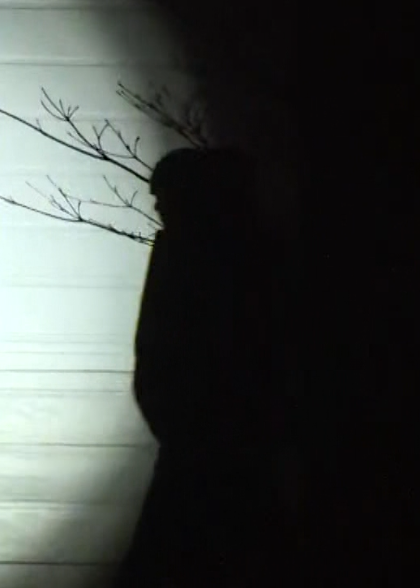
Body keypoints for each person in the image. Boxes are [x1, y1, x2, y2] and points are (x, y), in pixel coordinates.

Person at [115, 147, 281, 587]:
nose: (158, 207)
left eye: (164, 197)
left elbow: (165, 340)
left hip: (205, 433)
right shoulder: (247, 253)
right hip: (209, 432)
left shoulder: (201, 258)